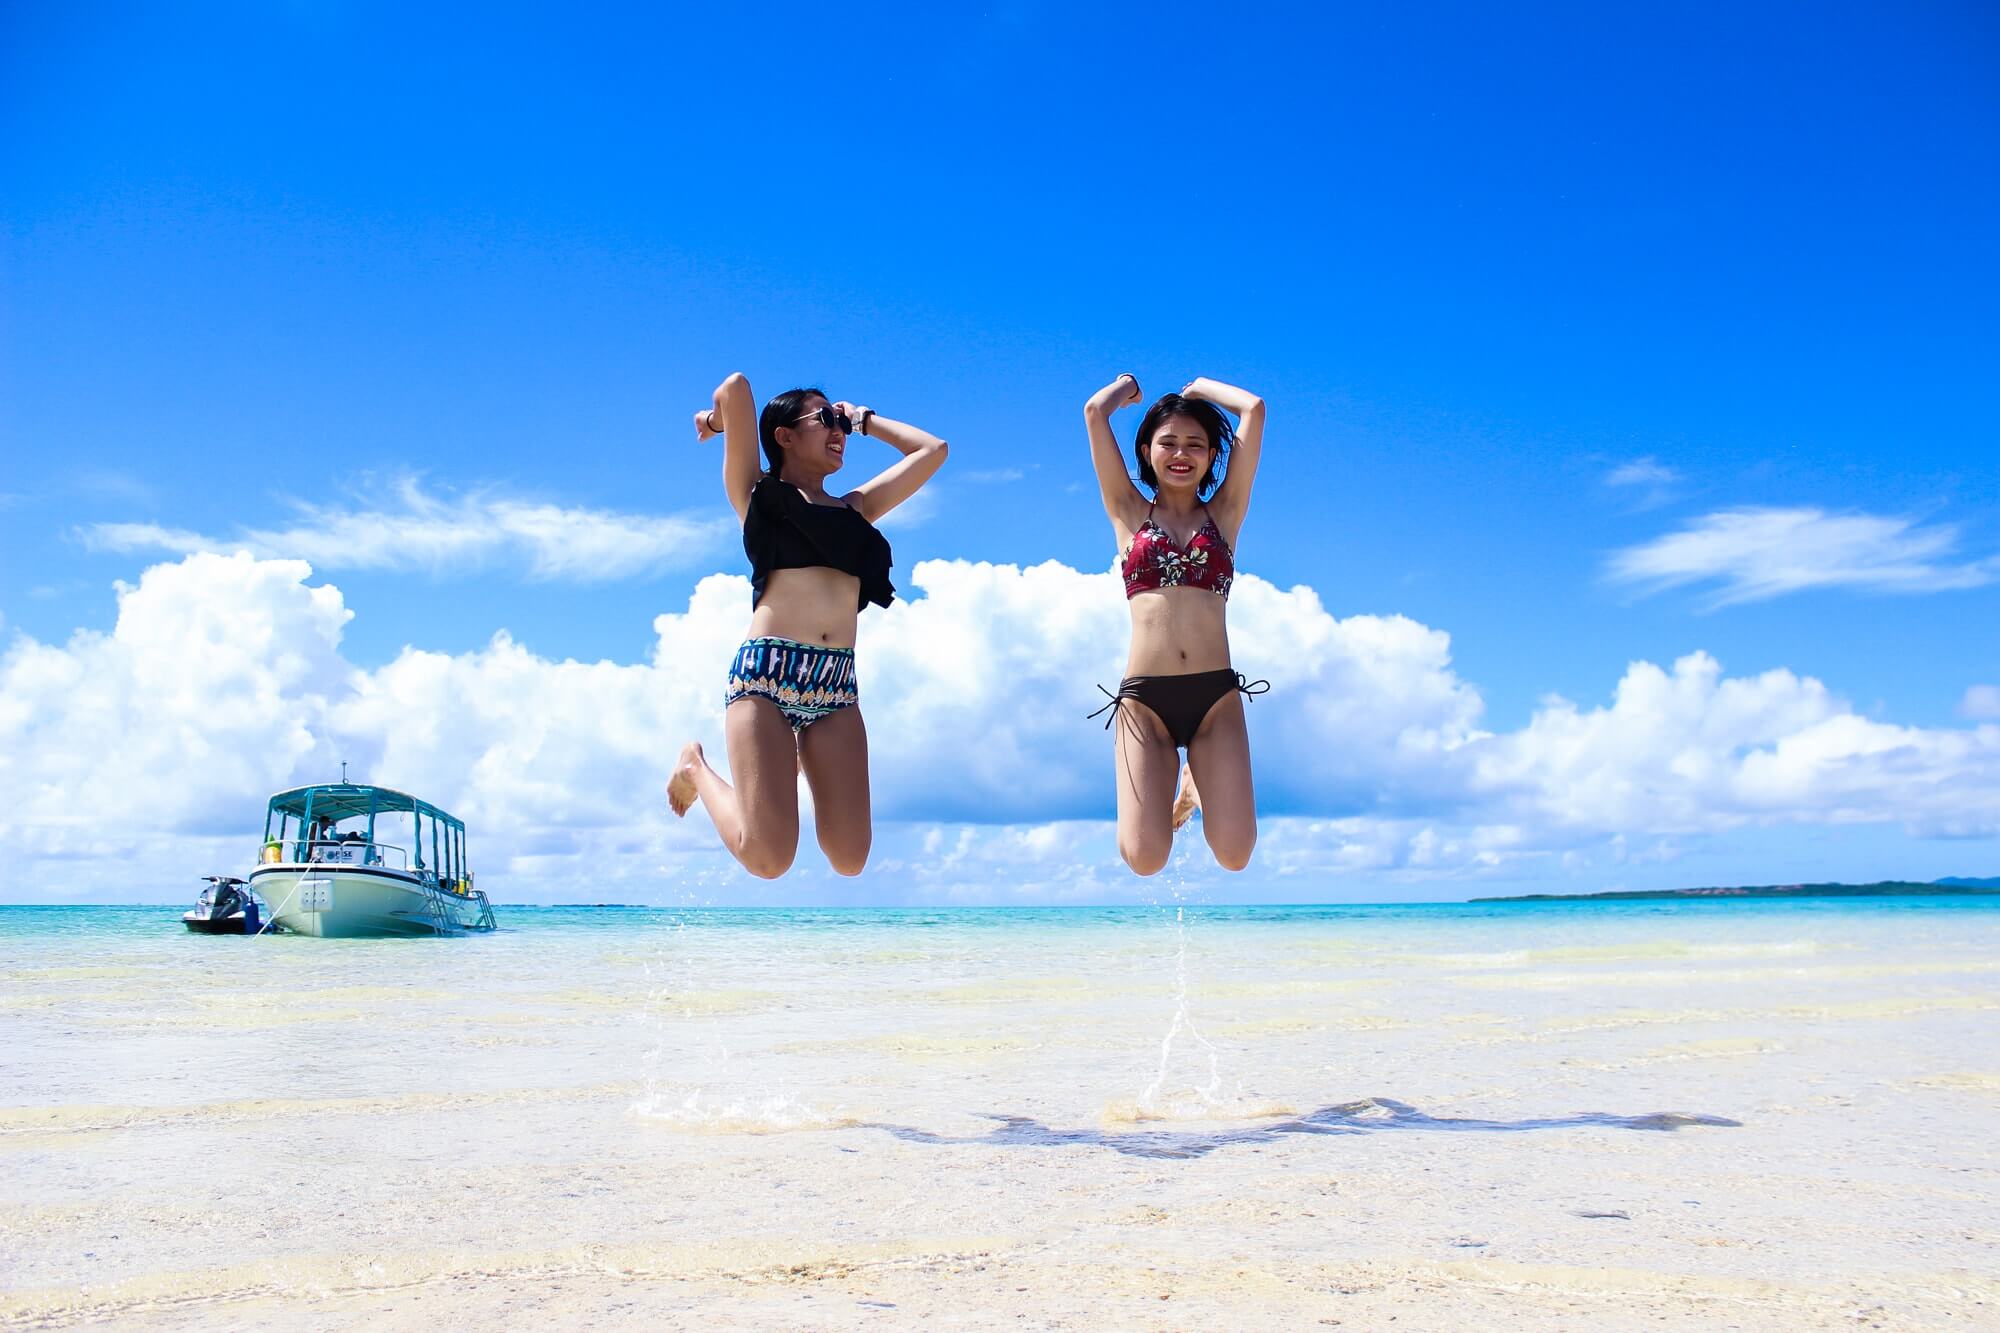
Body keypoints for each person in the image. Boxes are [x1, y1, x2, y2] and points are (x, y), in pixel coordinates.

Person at [667, 374, 948, 877]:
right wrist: (717, 423)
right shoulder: (759, 496)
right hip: (767, 677)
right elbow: (734, 388)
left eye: (838, 422)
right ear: (784, 436)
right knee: (769, 858)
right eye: (824, 420)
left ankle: (786, 756)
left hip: (836, 685)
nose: (837, 430)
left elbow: (932, 451)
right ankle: (694, 767)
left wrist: (863, 420)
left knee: (850, 857)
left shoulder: (855, 508)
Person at [1084, 373, 1267, 875]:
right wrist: (1129, 387)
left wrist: (1199, 389)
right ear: (1146, 450)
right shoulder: (1127, 512)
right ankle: (1178, 788)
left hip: (1216, 699)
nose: (1181, 453)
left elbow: (1252, 409)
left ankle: (1192, 788)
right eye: (1168, 443)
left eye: (1196, 444)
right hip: (1145, 701)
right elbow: (1095, 413)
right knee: (1144, 859)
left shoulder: (1225, 514)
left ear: (1212, 456)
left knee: (1234, 855)